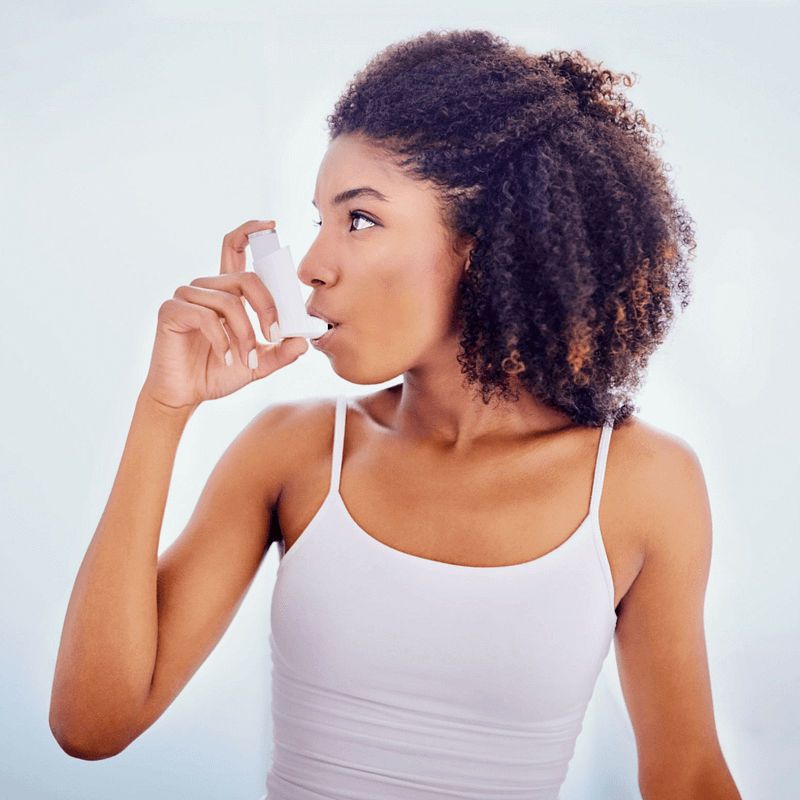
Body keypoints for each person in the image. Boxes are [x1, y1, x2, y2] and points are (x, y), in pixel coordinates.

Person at [50, 29, 741, 800]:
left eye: (361, 219)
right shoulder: (295, 453)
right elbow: (92, 725)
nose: (311, 267)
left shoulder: (640, 484)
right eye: (319, 221)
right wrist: (162, 409)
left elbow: (687, 776)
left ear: (483, 244)